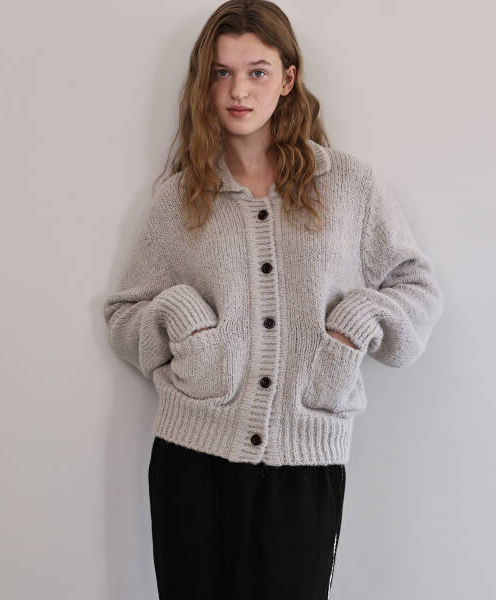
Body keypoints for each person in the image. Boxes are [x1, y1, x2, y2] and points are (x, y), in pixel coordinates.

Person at [102, 1, 444, 598]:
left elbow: (417, 288)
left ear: (288, 79)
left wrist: (357, 323)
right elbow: (124, 315)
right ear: (204, 82)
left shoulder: (349, 186)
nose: (238, 90)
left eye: (257, 71)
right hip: (191, 460)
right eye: (221, 72)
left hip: (305, 463)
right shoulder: (181, 198)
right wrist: (180, 319)